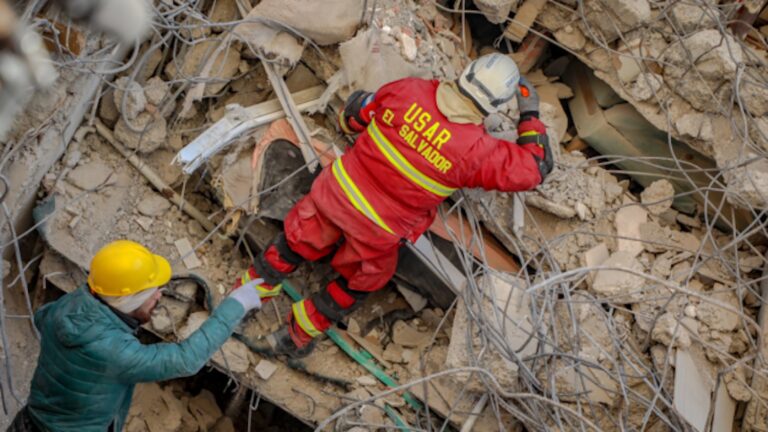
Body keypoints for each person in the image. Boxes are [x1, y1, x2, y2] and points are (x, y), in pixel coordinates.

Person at [236, 53, 554, 358]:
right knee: (359, 281)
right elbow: (535, 168)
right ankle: (293, 337)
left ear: (465, 73)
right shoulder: (479, 153)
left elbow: (353, 117)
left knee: (293, 244)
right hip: (377, 230)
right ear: (496, 106)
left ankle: (239, 303)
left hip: (335, 196)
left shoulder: (410, 90)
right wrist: (530, 115)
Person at [7, 240, 266, 432]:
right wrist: (236, 305)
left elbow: (42, 319)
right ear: (128, 301)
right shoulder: (116, 353)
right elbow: (185, 359)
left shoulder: (69, 305)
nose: (159, 295)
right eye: (151, 292)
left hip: (29, 422)